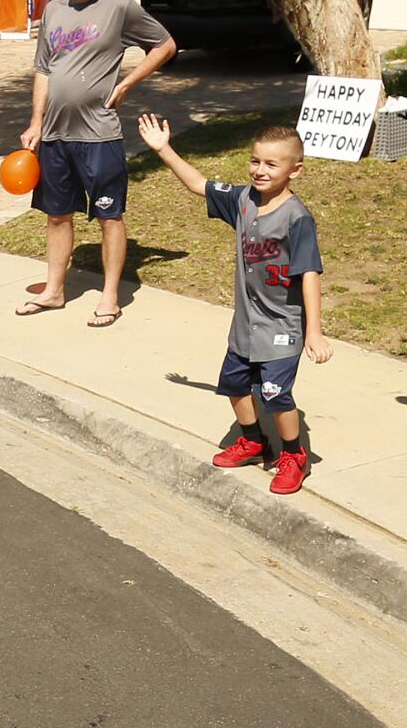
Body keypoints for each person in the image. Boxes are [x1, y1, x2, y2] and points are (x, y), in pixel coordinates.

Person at [137, 116, 331, 493]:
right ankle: (254, 441)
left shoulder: (297, 218)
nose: (260, 170)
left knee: (276, 394)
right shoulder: (243, 200)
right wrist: (163, 149)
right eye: (255, 161)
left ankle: (293, 455)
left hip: (282, 325)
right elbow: (198, 184)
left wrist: (315, 332)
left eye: (271, 164)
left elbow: (310, 274)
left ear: (296, 170)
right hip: (246, 322)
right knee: (235, 385)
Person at [16, 0, 177, 328]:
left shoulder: (120, 8)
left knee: (109, 218)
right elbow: (43, 70)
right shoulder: (53, 10)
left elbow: (165, 45)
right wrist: (36, 122)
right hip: (55, 136)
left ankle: (109, 297)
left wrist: (126, 84)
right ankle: (54, 291)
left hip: (99, 136)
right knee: (57, 216)